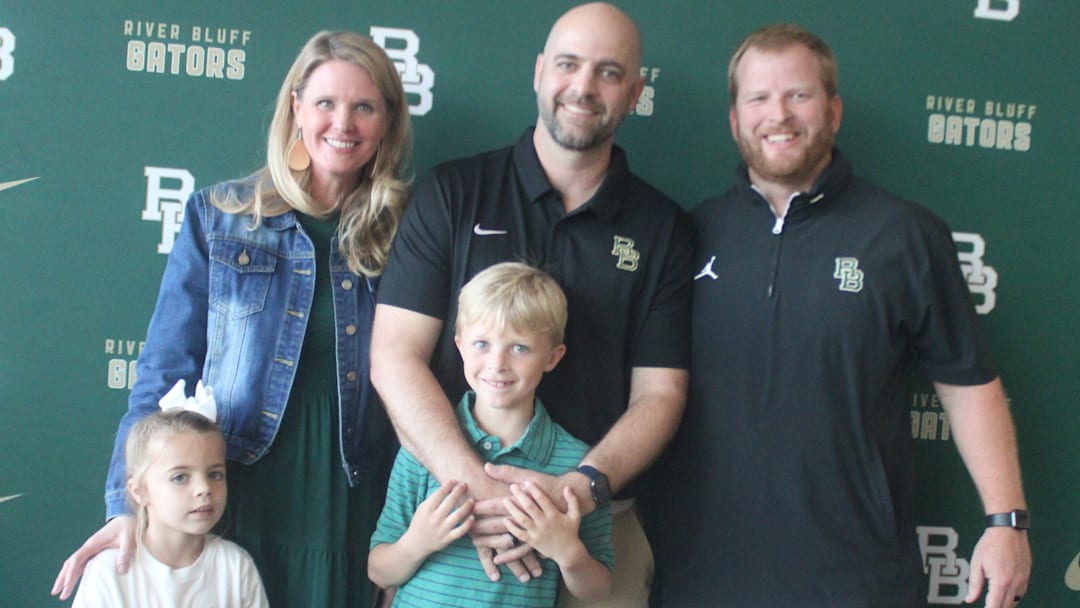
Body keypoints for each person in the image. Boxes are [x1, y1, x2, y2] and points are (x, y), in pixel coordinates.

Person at [653, 23, 1031, 608]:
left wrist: (1006, 520)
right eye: (758, 98)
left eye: (798, 95)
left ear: (833, 111)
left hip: (856, 578)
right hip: (702, 572)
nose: (778, 114)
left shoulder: (905, 234)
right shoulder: (688, 235)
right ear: (734, 120)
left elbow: (968, 385)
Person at [52, 30, 412, 607]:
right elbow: (164, 370)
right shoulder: (220, 217)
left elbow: (422, 384)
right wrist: (126, 502)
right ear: (296, 108)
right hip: (235, 487)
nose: (342, 123)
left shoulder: (409, 235)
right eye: (325, 103)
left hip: (350, 497)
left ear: (388, 121)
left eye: (364, 107)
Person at [370, 3, 693, 606]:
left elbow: (661, 396)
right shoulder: (453, 193)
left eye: (609, 72)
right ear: (541, 70)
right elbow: (393, 356)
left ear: (635, 92)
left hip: (593, 529)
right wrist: (474, 491)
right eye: (569, 64)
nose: (584, 86)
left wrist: (574, 496)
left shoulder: (663, 229)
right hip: (448, 520)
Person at [368, 262, 615, 606]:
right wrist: (417, 543)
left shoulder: (574, 464)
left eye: (519, 348)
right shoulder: (421, 448)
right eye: (482, 343)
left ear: (553, 356)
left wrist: (567, 552)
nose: (497, 363)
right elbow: (378, 571)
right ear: (459, 345)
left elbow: (599, 591)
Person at [73, 404, 269, 607]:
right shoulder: (108, 571)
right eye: (180, 477)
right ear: (140, 491)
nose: (204, 488)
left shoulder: (235, 566)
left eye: (215, 474)